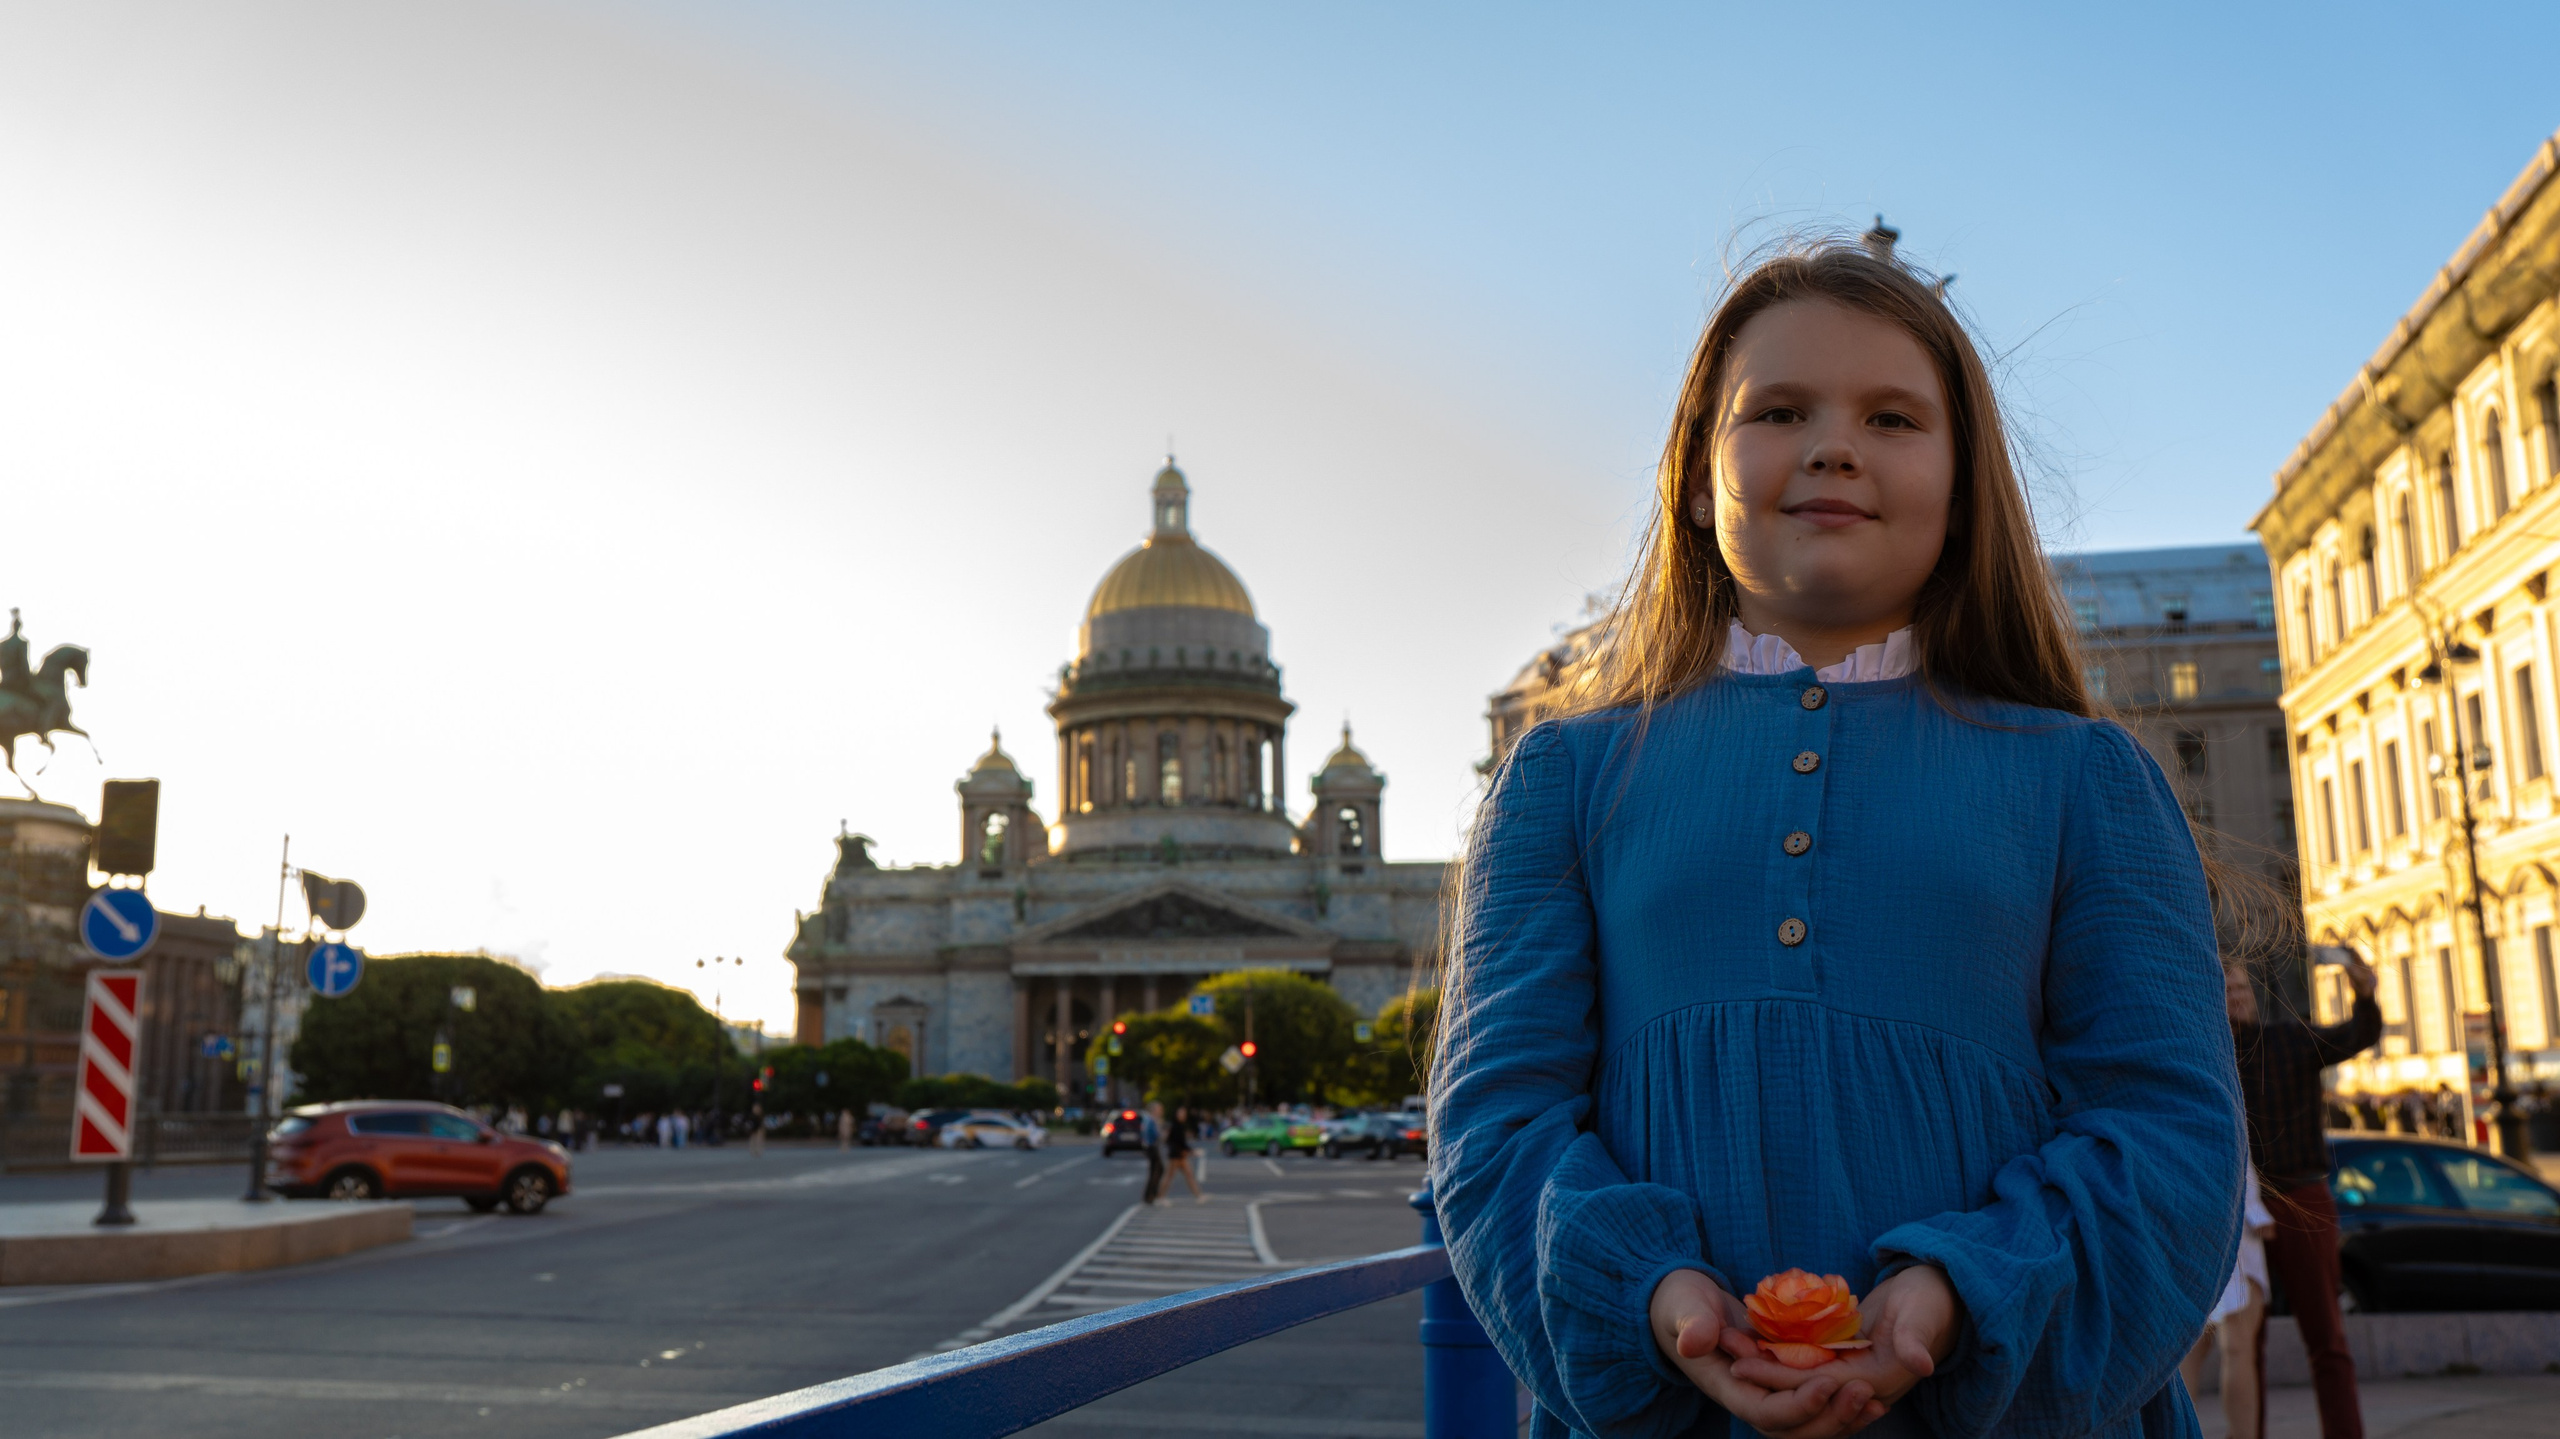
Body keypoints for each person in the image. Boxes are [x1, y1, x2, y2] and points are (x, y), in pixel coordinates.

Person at [1429, 238, 2245, 1439]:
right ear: (1698, 485)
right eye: (1777, 410)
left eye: (1893, 417)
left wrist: (1960, 1291)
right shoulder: (1564, 774)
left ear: (1965, 489)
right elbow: (1497, 1124)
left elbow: (2169, 1133)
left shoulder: (2087, 777)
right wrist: (1655, 1293)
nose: (1833, 444)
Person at [2231, 945, 2380, 1439]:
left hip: (2302, 1197)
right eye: (2225, 992)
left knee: (2326, 1334)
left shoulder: (2290, 1042)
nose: (2235, 999)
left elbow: (2357, 1035)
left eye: (2240, 990)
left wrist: (2364, 995)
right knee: (2241, 1339)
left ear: (2253, 997)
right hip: (2239, 1211)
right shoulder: (2210, 1062)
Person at [2180, 1178, 2276, 1439]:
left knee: (2190, 1352)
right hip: (2228, 1233)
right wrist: (2256, 1213)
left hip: (2192, 1231)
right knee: (2234, 1347)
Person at [1163, 1104, 1205, 1203]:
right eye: (1181, 1113)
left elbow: (1181, 1142)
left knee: (1189, 1175)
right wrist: (1191, 1151)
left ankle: (1198, 1195)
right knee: (1169, 1177)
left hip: (1181, 1156)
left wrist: (1189, 1151)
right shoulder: (1175, 1126)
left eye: (1184, 1113)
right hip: (1175, 1156)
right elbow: (1176, 1142)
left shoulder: (1180, 1126)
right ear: (1176, 1114)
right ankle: (1160, 1196)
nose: (1183, 1115)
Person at [1140, 1101, 1167, 1205]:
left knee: (1157, 1171)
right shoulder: (1151, 1120)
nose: (1161, 1111)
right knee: (1156, 1171)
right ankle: (1151, 1196)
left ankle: (1151, 1195)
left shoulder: (1150, 1120)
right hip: (1152, 1148)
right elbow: (1156, 1135)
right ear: (1154, 1110)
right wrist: (1164, 1134)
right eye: (1159, 1109)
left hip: (1151, 1148)